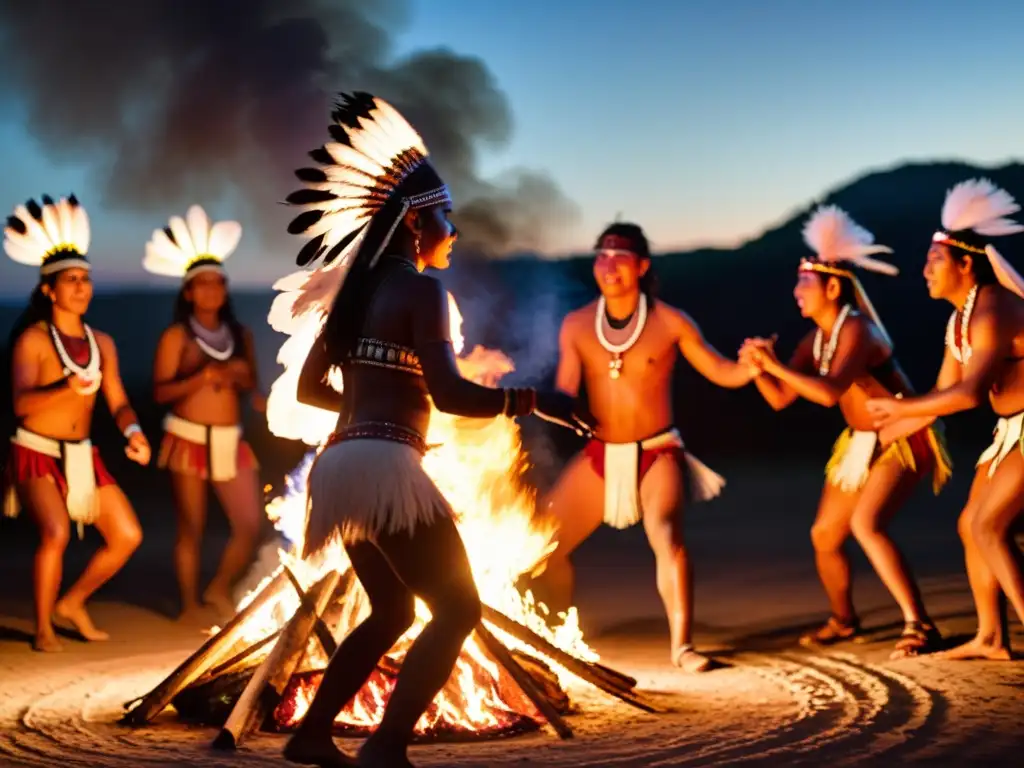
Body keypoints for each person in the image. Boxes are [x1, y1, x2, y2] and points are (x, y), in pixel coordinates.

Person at [279, 92, 595, 768]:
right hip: (382, 469)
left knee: (393, 611)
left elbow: (309, 388)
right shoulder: (421, 293)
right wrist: (528, 400)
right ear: (417, 222)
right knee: (457, 609)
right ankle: (386, 746)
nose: (454, 230)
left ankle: (311, 735)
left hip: (339, 468)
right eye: (447, 217)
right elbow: (451, 396)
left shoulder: (354, 295)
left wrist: (367, 421)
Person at [528, 221, 750, 674]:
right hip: (600, 454)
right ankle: (553, 639)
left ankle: (682, 647)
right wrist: (514, 397)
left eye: (620, 257)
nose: (609, 265)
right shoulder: (576, 325)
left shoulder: (670, 320)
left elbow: (721, 371)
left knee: (667, 537)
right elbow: (564, 392)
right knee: (544, 544)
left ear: (642, 266)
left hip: (657, 451)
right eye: (602, 256)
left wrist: (752, 366)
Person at [739, 205, 951, 658]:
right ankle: (844, 619)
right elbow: (780, 399)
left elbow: (829, 393)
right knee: (825, 534)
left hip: (903, 435)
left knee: (866, 524)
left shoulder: (857, 329)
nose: (797, 292)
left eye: (805, 283)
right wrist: (760, 369)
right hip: (859, 443)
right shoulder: (814, 339)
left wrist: (775, 365)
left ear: (833, 287)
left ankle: (921, 625)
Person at [867, 178, 1024, 661]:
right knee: (969, 524)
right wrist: (898, 426)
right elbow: (941, 393)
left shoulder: (993, 307)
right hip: (1009, 432)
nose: (925, 270)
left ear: (964, 263)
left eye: (935, 261)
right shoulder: (959, 320)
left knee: (990, 526)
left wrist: (898, 409)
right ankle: (991, 637)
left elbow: (970, 394)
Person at [2, 194, 149, 652]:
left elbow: (118, 400)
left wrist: (133, 432)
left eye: (86, 279)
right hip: (35, 451)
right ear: (49, 290)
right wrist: (67, 387)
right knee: (56, 532)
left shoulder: (101, 342)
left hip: (83, 455)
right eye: (71, 280)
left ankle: (73, 602)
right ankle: (43, 626)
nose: (82, 287)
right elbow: (22, 406)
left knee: (127, 534)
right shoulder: (33, 340)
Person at [145, 206, 265, 622]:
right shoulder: (176, 336)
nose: (212, 290)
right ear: (189, 292)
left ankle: (218, 587)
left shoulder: (241, 335)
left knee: (250, 524)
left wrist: (254, 390)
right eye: (203, 284)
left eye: (218, 283)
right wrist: (201, 377)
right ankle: (189, 601)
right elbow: (160, 391)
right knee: (190, 528)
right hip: (189, 439)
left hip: (231, 441)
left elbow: (254, 388)